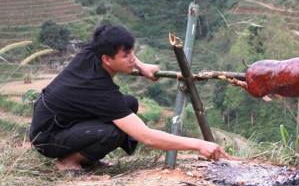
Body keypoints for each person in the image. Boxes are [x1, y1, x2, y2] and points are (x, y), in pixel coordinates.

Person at [29, 24, 229, 171]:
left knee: (130, 103)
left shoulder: (95, 50)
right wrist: (199, 144)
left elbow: (106, 31)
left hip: (63, 121)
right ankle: (68, 162)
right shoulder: (99, 90)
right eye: (126, 56)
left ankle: (86, 157)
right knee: (112, 133)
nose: (131, 57)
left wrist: (139, 65)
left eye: (132, 51)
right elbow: (146, 136)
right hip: (47, 137)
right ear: (107, 60)